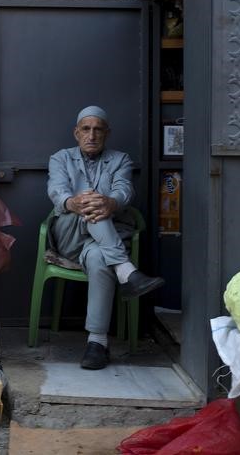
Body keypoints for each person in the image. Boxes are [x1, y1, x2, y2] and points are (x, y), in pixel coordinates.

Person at [47, 105, 164, 370]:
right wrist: (74, 202)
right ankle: (127, 271)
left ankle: (96, 343)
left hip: (99, 244)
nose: (92, 135)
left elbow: (124, 190)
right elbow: (56, 190)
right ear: (76, 133)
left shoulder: (120, 159)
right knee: (90, 204)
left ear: (107, 133)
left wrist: (112, 202)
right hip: (69, 237)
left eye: (98, 129)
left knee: (100, 255)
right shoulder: (60, 158)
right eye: (86, 129)